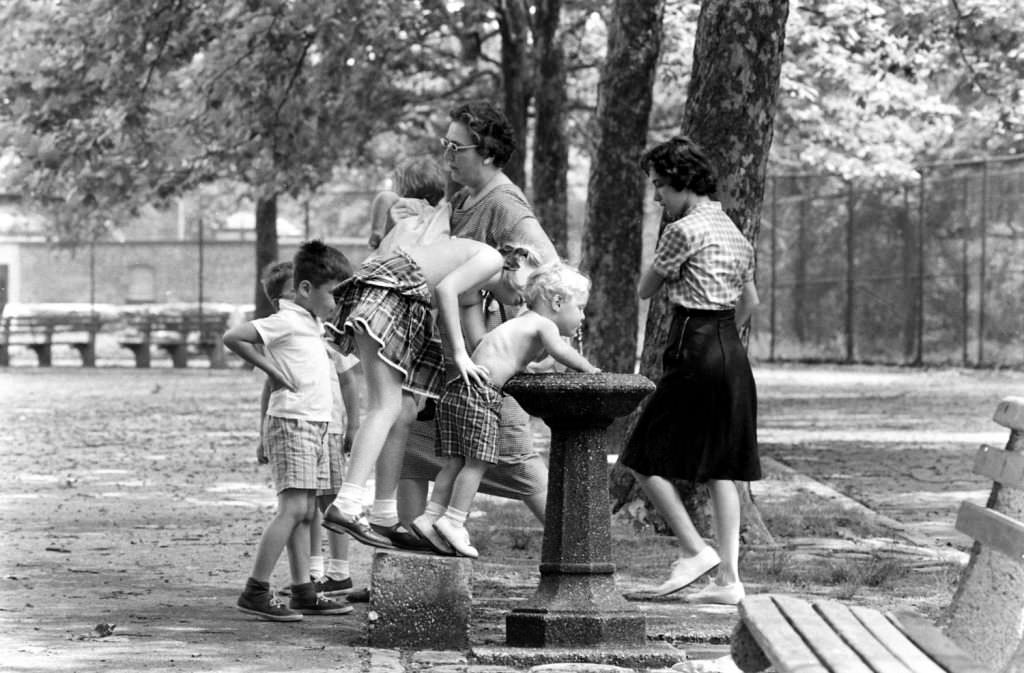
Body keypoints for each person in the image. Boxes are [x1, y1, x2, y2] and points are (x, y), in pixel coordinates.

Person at [393, 100, 563, 529]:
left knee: (518, 463)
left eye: (457, 148)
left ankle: (582, 557)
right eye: (445, 145)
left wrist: (539, 340)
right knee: (411, 457)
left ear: (486, 153)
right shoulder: (465, 198)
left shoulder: (505, 204)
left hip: (485, 367)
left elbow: (553, 275)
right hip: (445, 364)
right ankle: (412, 568)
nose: (447, 156)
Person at [320, 237, 543, 549]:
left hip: (404, 304)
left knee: (404, 410)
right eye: (531, 280)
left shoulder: (474, 291)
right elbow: (444, 290)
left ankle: (384, 516)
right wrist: (460, 355)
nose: (527, 295)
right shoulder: (490, 259)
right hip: (388, 294)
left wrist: (521, 360)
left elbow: (482, 344)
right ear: (515, 262)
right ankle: (346, 504)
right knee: (386, 407)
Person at [618, 136, 761, 606]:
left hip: (694, 347)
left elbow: (645, 288)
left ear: (682, 182)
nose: (657, 196)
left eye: (660, 186)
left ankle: (694, 549)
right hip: (730, 351)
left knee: (638, 456)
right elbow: (751, 302)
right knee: (723, 468)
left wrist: (698, 335)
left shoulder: (682, 231)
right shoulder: (734, 233)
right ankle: (730, 582)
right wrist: (721, 337)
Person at [410, 263, 599, 557]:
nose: (583, 316)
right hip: (481, 394)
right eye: (581, 308)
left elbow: (519, 361)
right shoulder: (544, 325)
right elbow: (561, 352)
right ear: (558, 302)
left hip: (457, 389)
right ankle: (454, 522)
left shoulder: (522, 322)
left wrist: (534, 367)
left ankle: (430, 517)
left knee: (455, 462)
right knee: (477, 464)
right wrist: (588, 369)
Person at [225, 241, 353, 621]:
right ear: (305, 290)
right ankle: (256, 590)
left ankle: (303, 590)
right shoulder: (284, 320)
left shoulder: (314, 324)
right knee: (294, 508)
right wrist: (273, 371)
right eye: (333, 293)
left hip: (316, 424)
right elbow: (234, 337)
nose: (336, 301)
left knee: (305, 509)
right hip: (292, 422)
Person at [254, 261, 363, 597]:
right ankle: (308, 576)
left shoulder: (328, 334)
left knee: (328, 501)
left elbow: (348, 383)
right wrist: (262, 433)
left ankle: (337, 573)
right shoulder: (286, 330)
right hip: (300, 422)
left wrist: (353, 425)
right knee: (304, 505)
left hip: (327, 425)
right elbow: (270, 386)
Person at [367, 156, 448, 251]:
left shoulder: (406, 203)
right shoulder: (436, 214)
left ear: (402, 187)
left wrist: (376, 231)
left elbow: (384, 197)